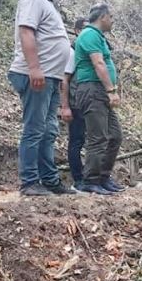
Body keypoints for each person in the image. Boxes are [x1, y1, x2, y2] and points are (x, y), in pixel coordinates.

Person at [8, 0, 76, 196]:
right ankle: (29, 182)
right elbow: (26, 31)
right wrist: (34, 68)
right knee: (35, 129)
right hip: (37, 75)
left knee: (48, 131)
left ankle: (49, 180)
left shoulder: (47, 3)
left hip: (51, 77)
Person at [73, 3, 124, 195]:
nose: (112, 21)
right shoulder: (89, 35)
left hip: (101, 91)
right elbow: (98, 63)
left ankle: (103, 177)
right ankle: (90, 180)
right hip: (93, 90)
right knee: (98, 137)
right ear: (102, 17)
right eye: (110, 17)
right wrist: (111, 90)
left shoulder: (99, 37)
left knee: (115, 135)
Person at [60, 17, 87, 191]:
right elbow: (64, 79)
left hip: (88, 103)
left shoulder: (88, 50)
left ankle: (90, 177)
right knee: (76, 141)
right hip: (76, 103)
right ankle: (78, 179)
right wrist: (65, 106)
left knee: (90, 140)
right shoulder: (72, 51)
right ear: (76, 31)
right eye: (84, 29)